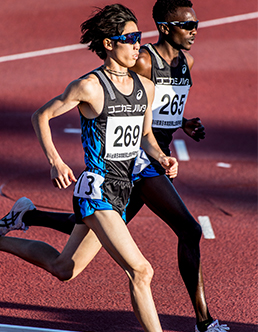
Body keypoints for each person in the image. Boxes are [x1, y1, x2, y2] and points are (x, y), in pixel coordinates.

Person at [0, 1, 229, 332]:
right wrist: (56, 161)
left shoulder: (145, 88)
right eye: (131, 38)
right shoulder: (90, 86)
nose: (138, 45)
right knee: (141, 271)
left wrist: (161, 157)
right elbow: (42, 116)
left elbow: (146, 135)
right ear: (109, 44)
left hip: (124, 188)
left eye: (139, 38)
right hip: (97, 191)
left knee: (65, 267)